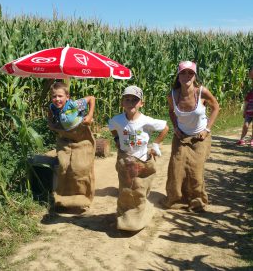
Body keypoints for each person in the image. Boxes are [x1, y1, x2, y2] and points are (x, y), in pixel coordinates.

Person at [108, 85, 169, 231]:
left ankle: (139, 213)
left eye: (135, 100)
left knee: (139, 189)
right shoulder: (117, 120)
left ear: (141, 103)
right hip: (125, 159)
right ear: (122, 102)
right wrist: (117, 139)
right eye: (127, 99)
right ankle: (125, 217)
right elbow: (111, 127)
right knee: (126, 190)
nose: (130, 103)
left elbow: (165, 128)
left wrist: (155, 144)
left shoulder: (146, 121)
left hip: (142, 160)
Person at [164, 61, 219, 212]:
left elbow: (216, 107)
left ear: (195, 76)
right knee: (176, 169)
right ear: (178, 75)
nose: (186, 76)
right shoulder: (173, 95)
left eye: (190, 73)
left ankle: (197, 201)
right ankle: (176, 199)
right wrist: (175, 127)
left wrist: (207, 129)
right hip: (181, 136)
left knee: (196, 170)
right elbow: (170, 111)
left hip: (200, 136)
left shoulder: (202, 91)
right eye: (183, 73)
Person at [48, 81, 96, 210]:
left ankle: (84, 196)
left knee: (80, 167)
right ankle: (64, 197)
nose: (57, 99)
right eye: (54, 96)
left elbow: (91, 98)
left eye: (60, 96)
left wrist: (90, 115)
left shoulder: (73, 105)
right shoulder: (53, 107)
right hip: (66, 140)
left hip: (82, 138)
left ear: (67, 97)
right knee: (64, 166)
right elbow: (50, 113)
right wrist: (50, 123)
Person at [236, 67, 253, 146]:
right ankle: (242, 139)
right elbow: (246, 103)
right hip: (248, 113)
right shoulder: (250, 94)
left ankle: (252, 140)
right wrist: (244, 112)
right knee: (245, 125)